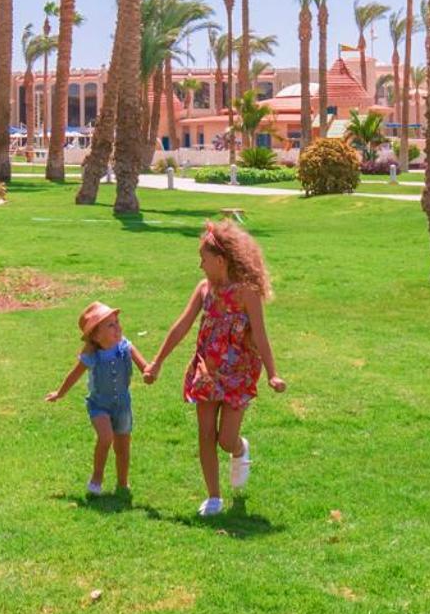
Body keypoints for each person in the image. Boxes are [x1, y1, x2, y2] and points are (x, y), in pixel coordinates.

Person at [145, 218, 286, 517]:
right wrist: (157, 361)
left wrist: (273, 373)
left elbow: (260, 334)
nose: (200, 266)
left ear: (220, 261)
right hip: (206, 370)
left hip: (239, 371)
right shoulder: (203, 289)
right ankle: (214, 497)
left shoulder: (247, 292)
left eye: (203, 259)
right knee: (205, 433)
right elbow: (181, 326)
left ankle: (239, 448)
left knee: (225, 439)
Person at [45, 301, 151, 497]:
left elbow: (145, 367)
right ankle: (97, 477)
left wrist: (149, 372)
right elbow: (74, 374)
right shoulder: (92, 355)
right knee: (105, 437)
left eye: (117, 322)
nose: (117, 327)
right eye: (110, 325)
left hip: (123, 405)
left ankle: (122, 482)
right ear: (96, 335)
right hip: (99, 405)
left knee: (123, 446)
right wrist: (60, 393)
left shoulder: (125, 346)